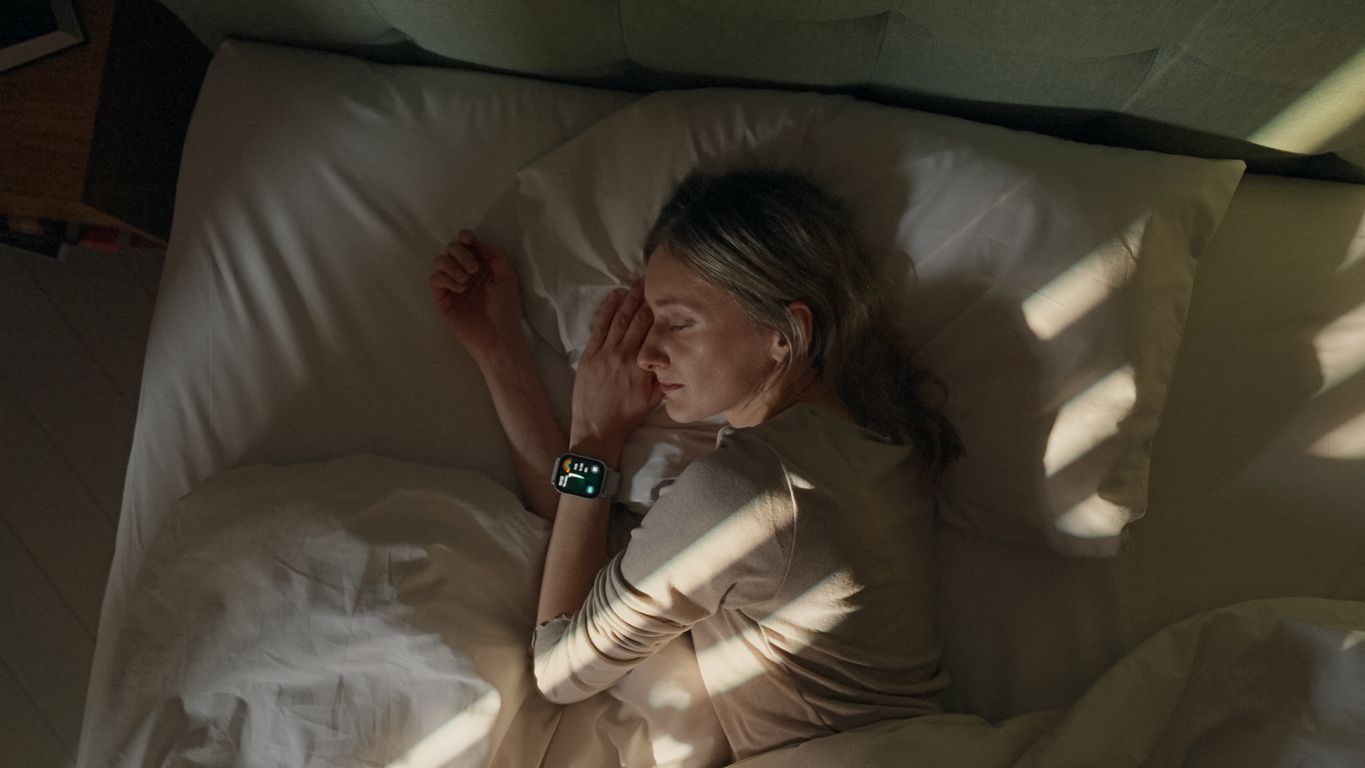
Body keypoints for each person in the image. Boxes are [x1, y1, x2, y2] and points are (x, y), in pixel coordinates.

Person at [429, 168, 962, 761]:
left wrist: (598, 438)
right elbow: (585, 559)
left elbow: (561, 667)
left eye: (678, 321)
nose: (650, 351)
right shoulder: (885, 449)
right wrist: (500, 352)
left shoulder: (748, 488)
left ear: (785, 333)